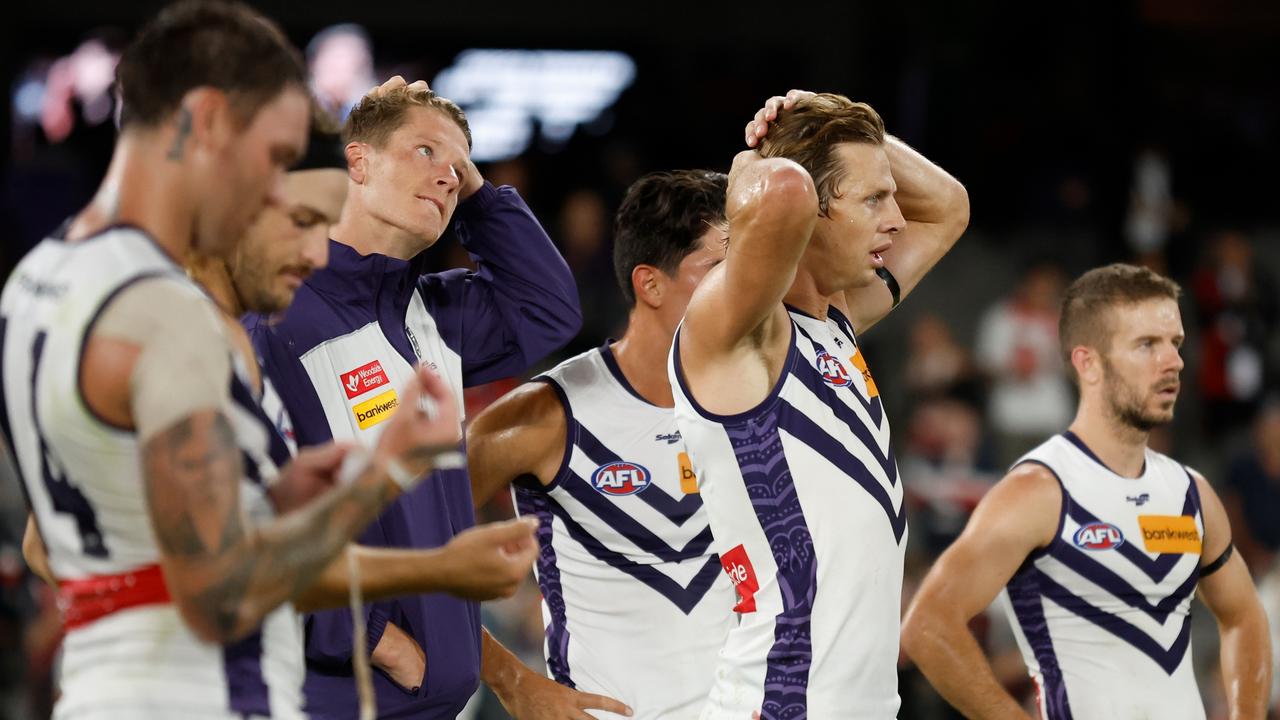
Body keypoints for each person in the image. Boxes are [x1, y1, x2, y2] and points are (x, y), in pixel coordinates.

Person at [0, 3, 483, 718]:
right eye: (275, 168)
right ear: (204, 126)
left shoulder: (46, 275)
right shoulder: (165, 317)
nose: (315, 246)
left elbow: (56, 544)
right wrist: (430, 551)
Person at [247, 78, 582, 718]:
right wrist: (372, 638)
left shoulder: (430, 313)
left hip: (432, 704)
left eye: (461, 166)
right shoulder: (278, 317)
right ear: (358, 161)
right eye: (425, 152)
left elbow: (548, 310)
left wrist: (478, 192)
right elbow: (247, 516)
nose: (450, 176)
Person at [669, 90, 969, 718]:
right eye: (872, 200)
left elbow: (948, 208)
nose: (896, 218)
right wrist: (763, 150)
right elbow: (779, 190)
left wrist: (839, 115)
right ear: (812, 215)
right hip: (782, 703)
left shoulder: (836, 320)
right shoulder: (741, 332)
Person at [901, 264, 1272, 719]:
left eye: (1174, 343)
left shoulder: (1190, 492)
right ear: (1088, 363)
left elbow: (1246, 618)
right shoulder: (1039, 490)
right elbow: (927, 624)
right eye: (1147, 345)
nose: (1173, 361)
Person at [467, 170, 737, 719]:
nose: (746, 284)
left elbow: (942, 215)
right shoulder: (545, 416)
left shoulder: (756, 395)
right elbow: (400, 544)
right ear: (651, 284)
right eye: (719, 267)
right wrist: (510, 679)